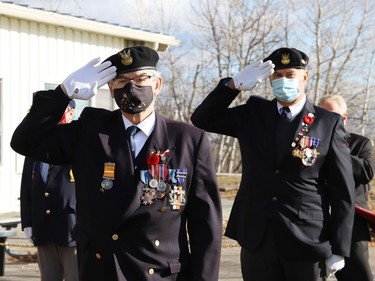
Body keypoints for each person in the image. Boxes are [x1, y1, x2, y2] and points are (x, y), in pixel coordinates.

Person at [11, 45, 222, 281]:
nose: (131, 87)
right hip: (101, 271)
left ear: (157, 84)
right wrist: (63, 93)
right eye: (121, 81)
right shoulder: (90, 131)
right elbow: (25, 142)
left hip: (161, 275)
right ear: (111, 89)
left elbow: (205, 226)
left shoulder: (188, 139)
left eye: (141, 78)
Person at [191, 47, 355, 281]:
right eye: (277, 76)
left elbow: (342, 192)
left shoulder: (327, 122)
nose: (283, 80)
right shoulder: (254, 113)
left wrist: (340, 247)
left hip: (307, 239)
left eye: (290, 74)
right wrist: (231, 86)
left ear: (304, 77)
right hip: (257, 237)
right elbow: (202, 119)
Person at [20, 100, 79, 281]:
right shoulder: (35, 147)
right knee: (49, 278)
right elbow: (27, 188)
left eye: (65, 112)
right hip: (43, 228)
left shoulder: (77, 145)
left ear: (71, 114)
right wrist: (28, 222)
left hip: (72, 230)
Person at [319, 94, 374, 281]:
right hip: (316, 222)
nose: (326, 119)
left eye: (332, 115)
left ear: (344, 118)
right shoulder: (309, 143)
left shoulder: (360, 143)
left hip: (352, 225)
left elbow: (366, 173)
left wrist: (335, 151)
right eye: (322, 114)